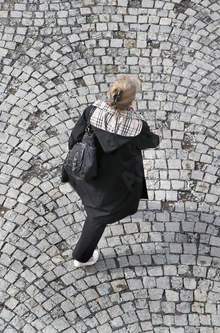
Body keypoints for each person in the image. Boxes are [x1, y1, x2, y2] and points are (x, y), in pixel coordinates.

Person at [62, 75, 160, 267]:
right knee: (97, 218)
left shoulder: (92, 111)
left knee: (95, 209)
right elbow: (151, 141)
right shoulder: (137, 126)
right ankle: (82, 256)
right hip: (114, 182)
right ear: (131, 101)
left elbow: (73, 139)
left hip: (87, 171)